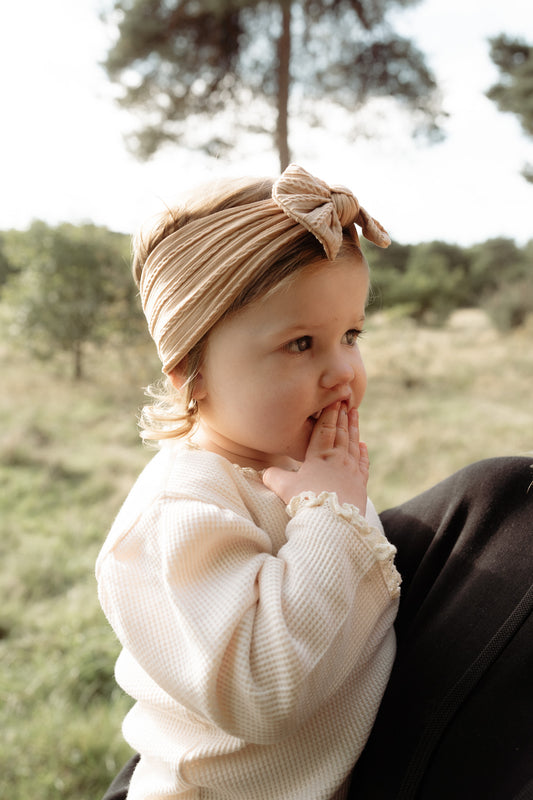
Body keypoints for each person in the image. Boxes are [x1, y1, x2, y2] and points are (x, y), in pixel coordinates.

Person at [96, 163, 401, 800]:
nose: (343, 371)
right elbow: (264, 690)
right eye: (301, 344)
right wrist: (328, 513)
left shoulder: (294, 469)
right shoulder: (181, 512)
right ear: (192, 371)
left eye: (350, 334)